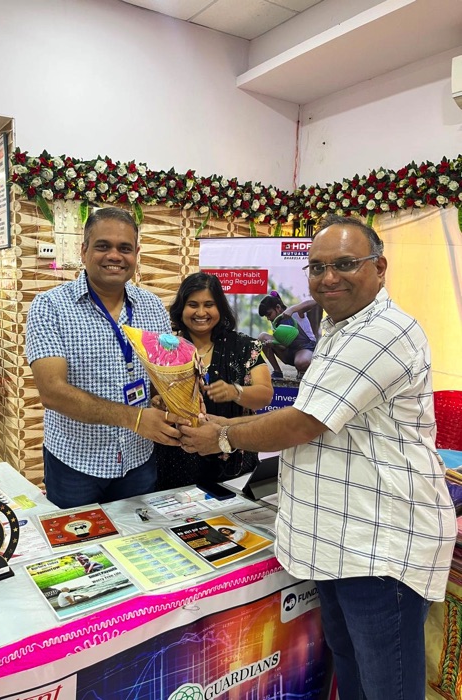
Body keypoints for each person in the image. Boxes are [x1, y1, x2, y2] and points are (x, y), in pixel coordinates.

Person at [180, 214, 457, 700]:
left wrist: (223, 436)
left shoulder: (382, 331)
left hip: (378, 546)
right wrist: (225, 425)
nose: (329, 277)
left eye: (345, 264)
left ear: (379, 267)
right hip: (337, 539)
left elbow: (305, 422)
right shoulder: (335, 327)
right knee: (350, 670)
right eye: (317, 267)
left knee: (386, 686)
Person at [26, 206, 185, 509]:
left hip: (138, 458)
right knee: (76, 538)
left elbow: (163, 377)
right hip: (76, 464)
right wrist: (135, 418)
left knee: (140, 534)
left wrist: (173, 399)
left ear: (136, 254)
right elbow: (52, 392)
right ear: (84, 250)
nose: (115, 256)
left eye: (125, 248)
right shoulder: (50, 306)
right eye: (103, 246)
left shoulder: (152, 307)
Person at [155, 272, 273, 488]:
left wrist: (235, 392)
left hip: (233, 462)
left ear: (220, 307)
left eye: (209, 304)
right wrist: (158, 402)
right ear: (181, 309)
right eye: (193, 305)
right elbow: (154, 397)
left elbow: (265, 394)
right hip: (176, 463)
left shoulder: (244, 346)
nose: (201, 312)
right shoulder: (167, 349)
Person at [257, 292, 317, 380]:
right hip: (289, 352)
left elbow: (315, 302)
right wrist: (273, 344)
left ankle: (303, 371)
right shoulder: (275, 323)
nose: (268, 318)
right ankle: (277, 371)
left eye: (269, 314)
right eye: (266, 316)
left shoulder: (296, 313)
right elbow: (283, 346)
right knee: (262, 337)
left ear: (278, 308)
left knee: (301, 363)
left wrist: (292, 309)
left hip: (306, 348)